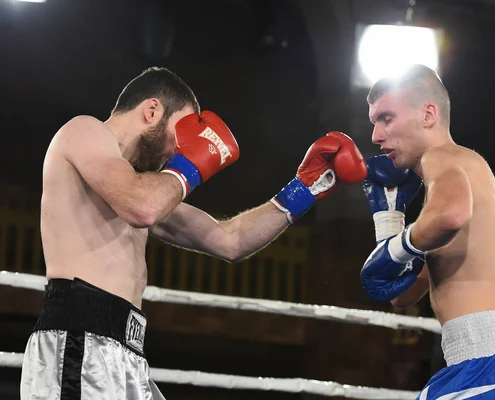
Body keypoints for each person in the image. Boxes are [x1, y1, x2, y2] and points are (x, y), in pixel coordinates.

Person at [21, 66, 368, 399]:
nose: (181, 148)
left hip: (124, 351)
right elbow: (142, 206)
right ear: (152, 110)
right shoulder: (84, 132)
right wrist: (190, 165)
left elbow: (229, 240)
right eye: (182, 131)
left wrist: (303, 190)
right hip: (78, 341)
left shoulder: (140, 185)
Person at [358, 64, 495, 399]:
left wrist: (400, 243)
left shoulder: (443, 158)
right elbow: (399, 293)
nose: (376, 136)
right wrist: (389, 220)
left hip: (490, 371)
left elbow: (450, 215)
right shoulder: (451, 190)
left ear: (428, 114)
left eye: (387, 118)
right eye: (374, 122)